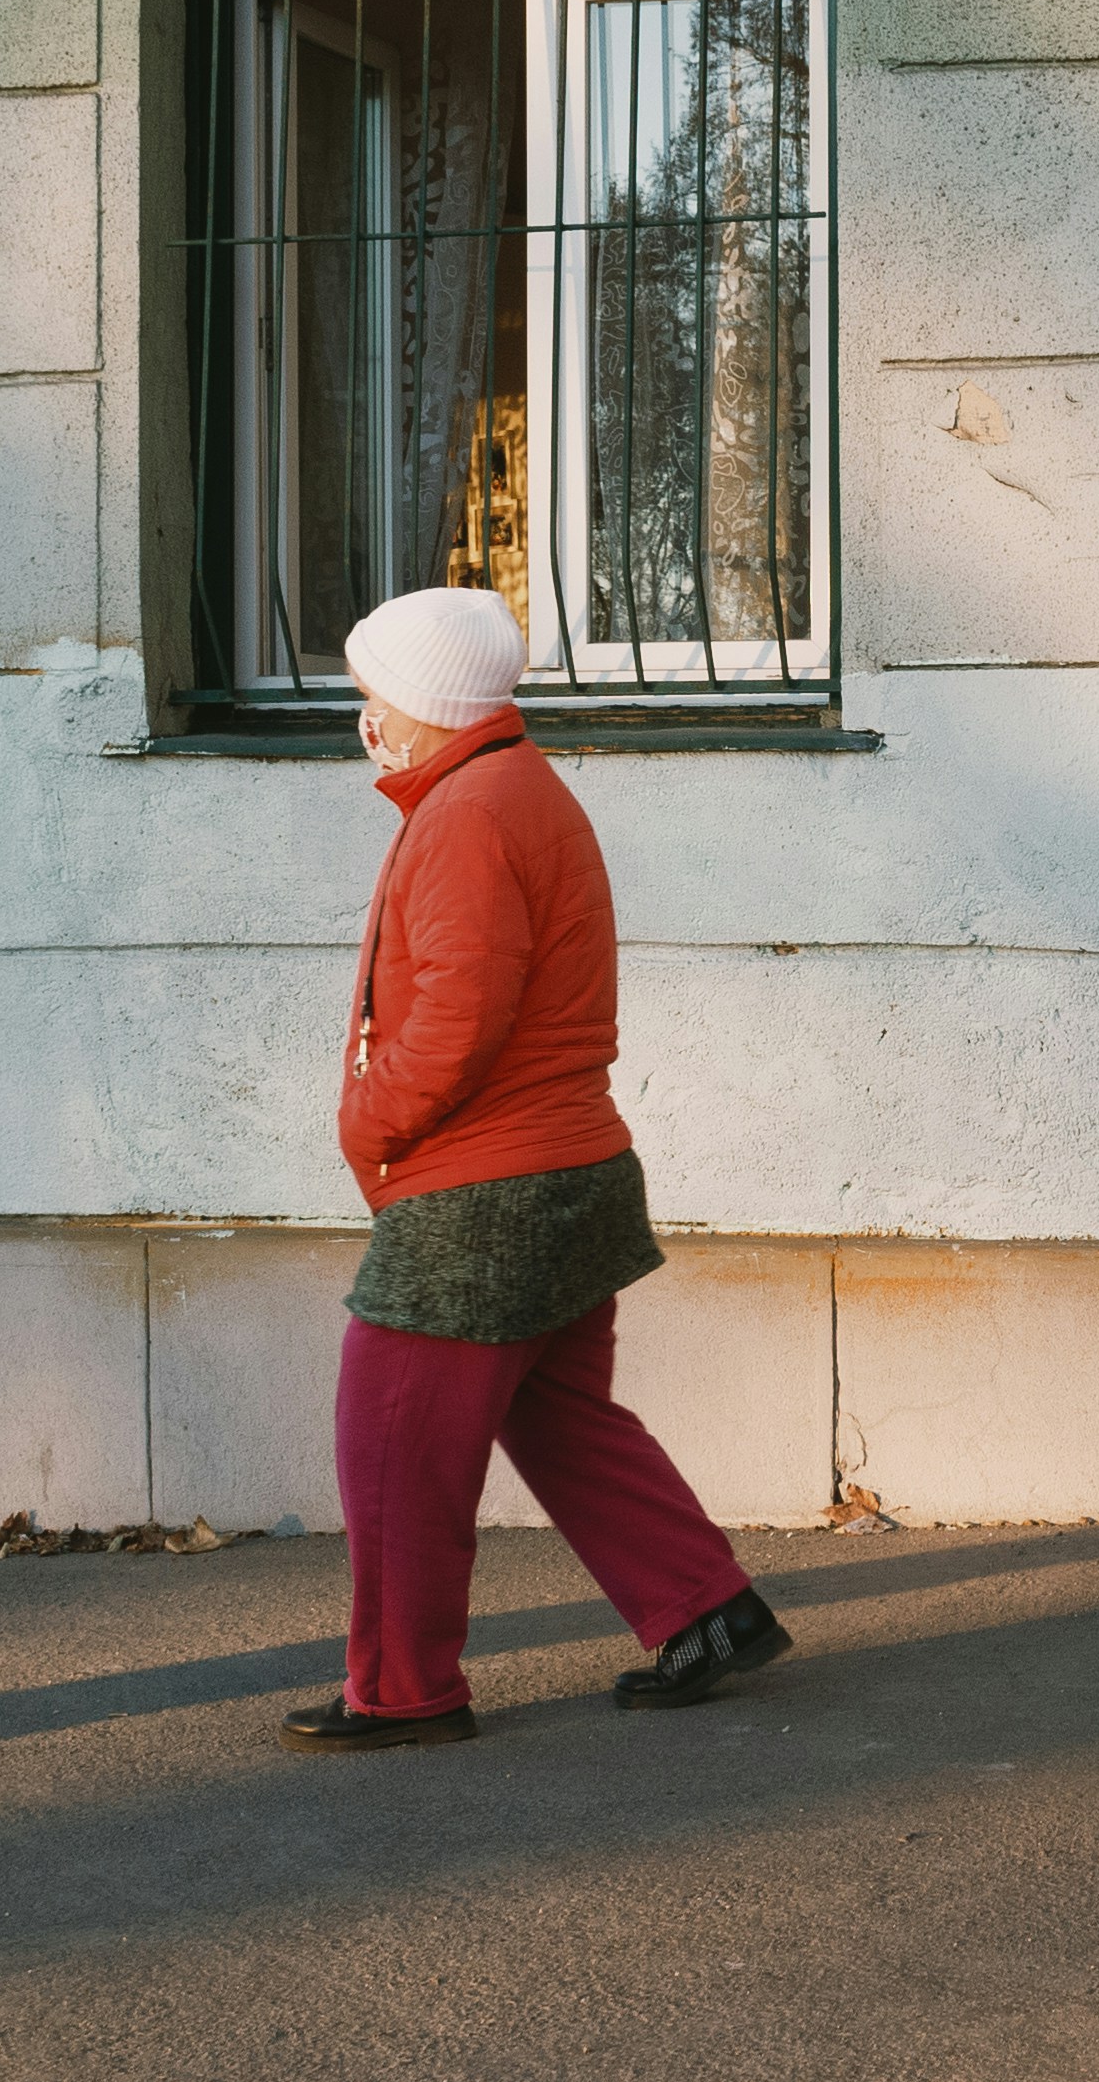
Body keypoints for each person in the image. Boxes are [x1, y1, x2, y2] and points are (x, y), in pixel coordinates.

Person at [278, 586, 790, 1753]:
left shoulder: (467, 810)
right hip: (570, 1171)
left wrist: (369, 1123)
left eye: (370, 696)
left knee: (391, 1440)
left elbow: (459, 1014)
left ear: (417, 704)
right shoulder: (515, 790)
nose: (364, 717)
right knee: (560, 1414)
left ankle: (404, 1693)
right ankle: (707, 1607)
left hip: (483, 1194)